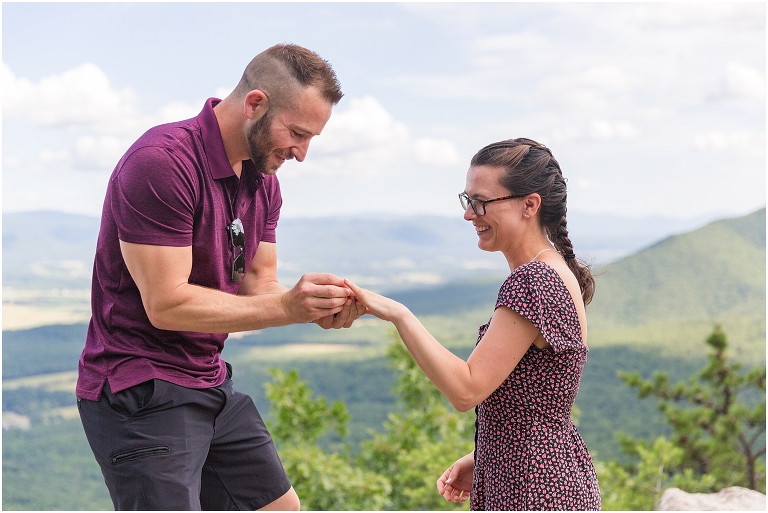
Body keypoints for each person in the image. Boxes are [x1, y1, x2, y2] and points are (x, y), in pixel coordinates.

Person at [76, 43, 365, 510]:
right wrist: (288, 306)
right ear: (255, 104)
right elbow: (166, 303)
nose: (302, 153)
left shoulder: (264, 183)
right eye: (296, 132)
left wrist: (311, 308)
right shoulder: (162, 162)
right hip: (140, 391)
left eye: (311, 138)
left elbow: (259, 289)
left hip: (208, 381)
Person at [346, 138, 601, 510]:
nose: (470, 214)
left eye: (481, 202)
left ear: (530, 205)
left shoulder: (533, 281)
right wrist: (486, 455)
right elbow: (538, 401)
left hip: (532, 488)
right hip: (540, 475)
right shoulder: (554, 272)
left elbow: (466, 390)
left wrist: (398, 314)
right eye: (467, 200)